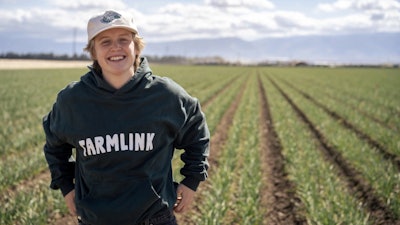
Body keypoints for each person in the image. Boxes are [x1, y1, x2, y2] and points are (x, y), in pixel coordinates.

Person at [43, 9, 210, 225]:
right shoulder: (73, 101)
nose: (115, 47)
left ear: (136, 46)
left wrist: (192, 180)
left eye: (124, 40)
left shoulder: (166, 96)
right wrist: (66, 186)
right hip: (95, 220)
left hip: (155, 219)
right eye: (105, 42)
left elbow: (197, 134)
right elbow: (54, 146)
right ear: (93, 51)